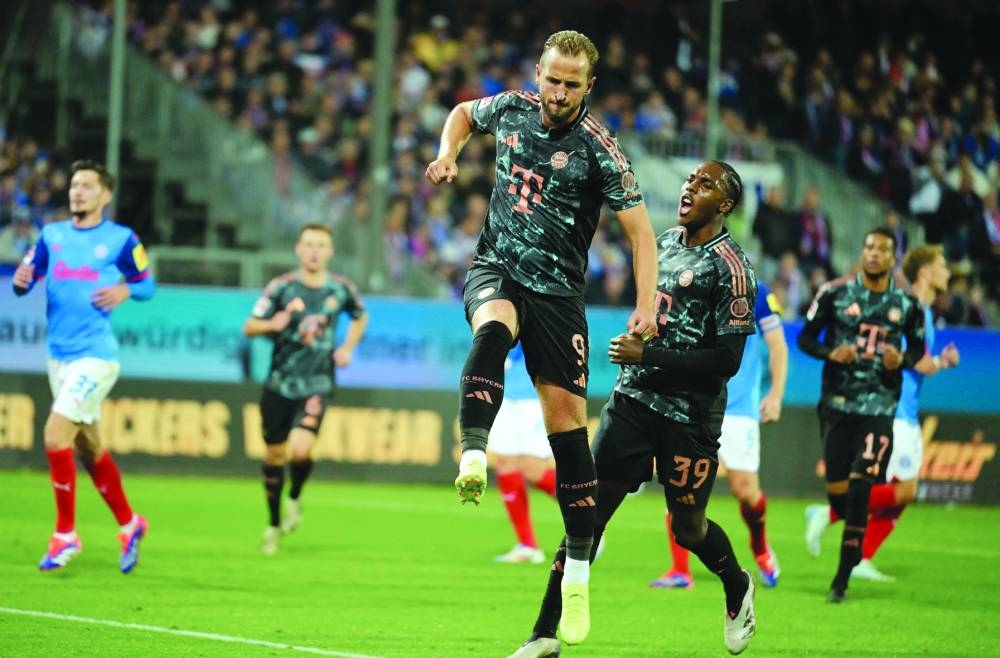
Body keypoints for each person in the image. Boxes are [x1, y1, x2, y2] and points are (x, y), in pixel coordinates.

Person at [425, 29, 658, 643]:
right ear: (538, 72)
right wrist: (448, 153)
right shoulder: (509, 108)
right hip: (497, 263)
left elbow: (642, 235)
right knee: (492, 327)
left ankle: (577, 569)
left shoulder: (600, 150)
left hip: (559, 297)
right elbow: (459, 114)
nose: (557, 93)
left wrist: (644, 306)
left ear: (589, 86)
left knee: (567, 433)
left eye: (570, 84)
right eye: (551, 79)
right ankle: (474, 448)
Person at [509, 160, 758, 658]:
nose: (690, 187)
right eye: (689, 180)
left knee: (689, 530)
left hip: (690, 415)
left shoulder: (732, 268)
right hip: (633, 402)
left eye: (704, 184)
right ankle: (542, 635)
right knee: (585, 518)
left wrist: (650, 353)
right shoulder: (661, 244)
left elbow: (726, 362)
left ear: (725, 205)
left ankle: (736, 585)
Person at [12, 159, 155, 573]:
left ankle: (65, 535)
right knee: (88, 448)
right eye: (75, 185)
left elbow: (148, 284)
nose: (78, 191)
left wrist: (126, 290)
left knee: (55, 435)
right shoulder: (51, 235)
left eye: (88, 186)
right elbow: (27, 278)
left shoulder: (121, 239)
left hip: (97, 356)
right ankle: (130, 524)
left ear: (105, 196)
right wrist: (22, 281)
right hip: (59, 355)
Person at [804, 244, 959, 581]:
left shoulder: (923, 311)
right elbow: (911, 359)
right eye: (942, 264)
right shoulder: (908, 307)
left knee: (901, 497)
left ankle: (860, 558)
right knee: (905, 490)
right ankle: (829, 513)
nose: (948, 272)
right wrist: (941, 363)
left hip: (907, 410)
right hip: (895, 409)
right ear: (926, 272)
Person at [797, 227, 925, 603]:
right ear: (862, 251)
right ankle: (831, 518)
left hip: (879, 407)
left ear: (893, 258)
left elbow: (917, 349)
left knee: (861, 486)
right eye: (868, 246)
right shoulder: (834, 294)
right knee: (840, 497)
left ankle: (842, 579)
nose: (873, 254)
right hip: (837, 405)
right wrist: (829, 353)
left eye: (882, 249)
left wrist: (901, 359)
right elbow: (806, 338)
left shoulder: (907, 304)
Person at [652, 279, 788, 590]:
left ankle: (760, 548)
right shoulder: (688, 283)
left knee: (746, 491)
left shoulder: (757, 290)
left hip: (739, 408)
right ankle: (679, 570)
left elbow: (778, 345)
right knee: (678, 481)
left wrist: (776, 395)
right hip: (693, 403)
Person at [243, 223, 368, 555]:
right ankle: (272, 524)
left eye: (321, 245)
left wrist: (347, 348)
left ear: (330, 251)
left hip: (318, 383)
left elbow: (360, 316)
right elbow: (250, 325)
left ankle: (295, 497)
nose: (314, 251)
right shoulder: (281, 288)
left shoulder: (341, 289)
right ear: (298, 249)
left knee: (300, 449)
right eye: (309, 244)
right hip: (279, 384)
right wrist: (273, 323)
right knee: (274, 455)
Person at [490, 343, 557, 564]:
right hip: (505, 390)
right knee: (504, 461)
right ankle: (527, 545)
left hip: (533, 390)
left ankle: (591, 516)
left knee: (532, 467)